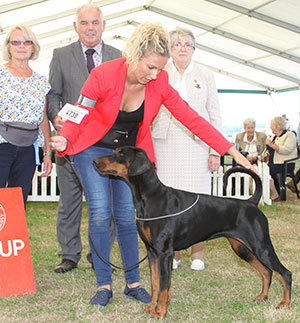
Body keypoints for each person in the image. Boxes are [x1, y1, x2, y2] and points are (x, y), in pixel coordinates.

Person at [50, 22, 258, 307]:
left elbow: (192, 119)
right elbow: (79, 110)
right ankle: (103, 285)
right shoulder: (103, 74)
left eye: (160, 68)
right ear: (133, 56)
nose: (156, 75)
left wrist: (231, 150)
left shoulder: (160, 83)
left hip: (130, 154)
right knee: (100, 212)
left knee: (127, 216)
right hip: (93, 147)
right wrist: (65, 138)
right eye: (150, 67)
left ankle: (134, 284)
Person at [47, 3, 122, 274]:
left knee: (107, 204)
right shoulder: (60, 54)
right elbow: (53, 94)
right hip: (70, 142)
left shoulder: (119, 56)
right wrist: (56, 117)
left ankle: (99, 254)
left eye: (94, 23)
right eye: (84, 23)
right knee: (69, 202)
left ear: (104, 26)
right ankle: (69, 254)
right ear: (75, 27)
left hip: (106, 144)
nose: (90, 28)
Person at [151, 27, 221, 271]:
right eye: (177, 44)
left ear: (193, 49)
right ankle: (174, 253)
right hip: (165, 144)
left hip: (198, 145)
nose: (182, 48)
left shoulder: (205, 74)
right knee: (169, 201)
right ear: (170, 49)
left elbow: (214, 114)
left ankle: (197, 253)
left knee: (197, 200)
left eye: (187, 44)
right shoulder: (160, 73)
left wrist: (215, 150)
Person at [0, 25, 52, 206]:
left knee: (17, 202)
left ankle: (11, 236)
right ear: (8, 47)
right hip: (2, 145)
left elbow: (43, 119)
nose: (21, 46)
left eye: (26, 42)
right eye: (16, 42)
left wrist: (47, 153)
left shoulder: (41, 81)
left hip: (28, 149)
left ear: (33, 47)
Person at [260, 116, 297, 201]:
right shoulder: (274, 137)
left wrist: (272, 145)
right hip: (273, 162)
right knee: (260, 169)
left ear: (277, 126)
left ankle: (274, 194)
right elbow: (268, 150)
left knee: (265, 171)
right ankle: (271, 192)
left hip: (284, 164)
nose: (270, 127)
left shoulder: (290, 135)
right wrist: (263, 156)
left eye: (271, 125)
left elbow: (287, 150)